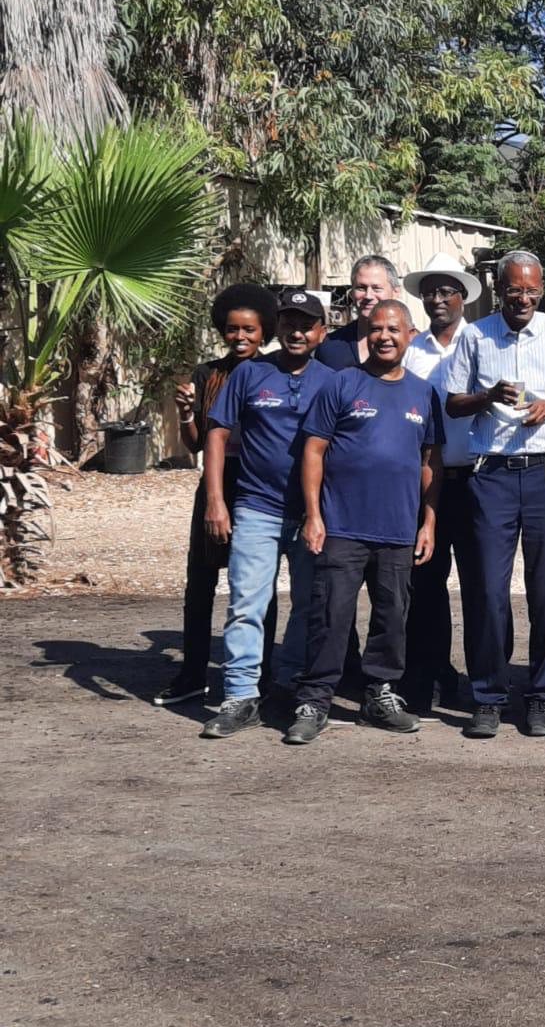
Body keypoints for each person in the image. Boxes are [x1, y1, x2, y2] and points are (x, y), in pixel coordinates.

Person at [286, 300, 443, 745]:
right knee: (331, 615)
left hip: (397, 529)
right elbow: (313, 451)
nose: (385, 337)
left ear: (410, 335)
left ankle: (380, 694)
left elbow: (431, 463)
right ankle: (314, 699)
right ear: (365, 335)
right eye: (376, 329)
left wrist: (428, 522)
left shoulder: (422, 392)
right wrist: (314, 515)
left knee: (392, 617)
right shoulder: (341, 385)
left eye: (394, 329)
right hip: (341, 525)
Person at [445, 250, 545, 739]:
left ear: (543, 290)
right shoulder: (475, 336)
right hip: (491, 475)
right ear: (499, 289)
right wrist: (487, 397)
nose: (523, 297)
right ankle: (488, 695)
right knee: (487, 591)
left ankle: (541, 695)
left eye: (531, 289)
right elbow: (454, 404)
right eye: (514, 289)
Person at [198, 291, 337, 738]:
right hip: (256, 507)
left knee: (307, 606)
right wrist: (216, 501)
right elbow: (217, 434)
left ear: (321, 331)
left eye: (307, 324)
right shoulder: (250, 374)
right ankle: (239, 695)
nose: (297, 332)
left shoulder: (334, 380)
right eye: (289, 323)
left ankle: (289, 685)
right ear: (277, 328)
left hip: (312, 513)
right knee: (246, 605)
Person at [159, 283, 277, 706]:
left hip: (259, 484)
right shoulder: (208, 374)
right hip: (215, 481)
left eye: (249, 329)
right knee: (201, 583)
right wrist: (186, 413)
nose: (240, 337)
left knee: (256, 585)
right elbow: (195, 444)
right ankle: (192, 673)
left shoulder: (276, 371)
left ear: (265, 331)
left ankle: (258, 678)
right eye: (232, 329)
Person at [399, 253, 481, 719]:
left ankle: (486, 679)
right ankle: (432, 675)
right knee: (426, 585)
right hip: (427, 480)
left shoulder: (481, 340)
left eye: (446, 290)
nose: (437, 299)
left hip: (476, 479)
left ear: (462, 296)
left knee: (480, 586)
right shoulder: (414, 350)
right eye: (430, 291)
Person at [316, 254, 401, 370]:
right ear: (351, 294)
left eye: (377, 288)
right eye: (361, 288)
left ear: (395, 292)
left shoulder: (412, 346)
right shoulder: (331, 346)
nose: (368, 295)